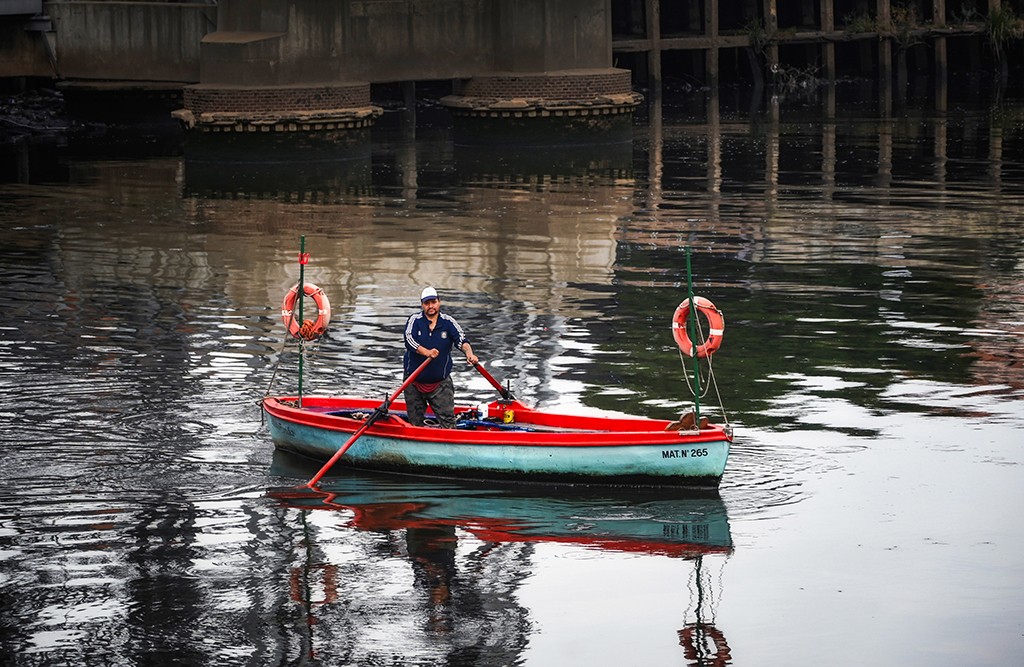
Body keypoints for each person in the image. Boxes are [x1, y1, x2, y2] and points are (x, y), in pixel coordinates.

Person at [403, 286, 478, 427]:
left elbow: (462, 340)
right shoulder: (414, 320)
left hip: (440, 384)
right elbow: (409, 340)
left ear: (439, 302)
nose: (430, 306)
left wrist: (469, 354)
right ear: (422, 305)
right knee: (414, 423)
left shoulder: (448, 322)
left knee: (448, 422)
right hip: (413, 381)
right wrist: (427, 352)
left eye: (433, 302)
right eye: (427, 303)